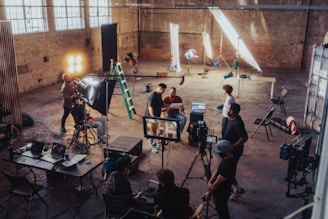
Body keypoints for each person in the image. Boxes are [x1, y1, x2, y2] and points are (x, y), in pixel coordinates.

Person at [202, 140, 236, 219]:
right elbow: (217, 170)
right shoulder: (227, 158)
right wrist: (210, 181)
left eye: (220, 151)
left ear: (227, 151)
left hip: (222, 192)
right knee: (219, 207)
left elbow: (218, 181)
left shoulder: (228, 165)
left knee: (223, 211)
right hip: (219, 190)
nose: (219, 153)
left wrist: (209, 193)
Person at [223, 103, 248, 199]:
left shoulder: (238, 123)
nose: (226, 110)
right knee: (227, 170)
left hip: (234, 152)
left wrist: (233, 147)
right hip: (227, 150)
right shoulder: (231, 119)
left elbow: (244, 138)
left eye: (228, 109)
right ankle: (231, 188)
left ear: (232, 111)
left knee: (229, 171)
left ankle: (238, 190)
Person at [144, 83, 167, 153]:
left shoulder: (159, 94)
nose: (163, 92)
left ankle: (153, 142)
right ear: (160, 89)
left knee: (154, 131)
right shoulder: (152, 97)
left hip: (156, 116)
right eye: (163, 90)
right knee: (151, 132)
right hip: (150, 117)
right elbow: (150, 107)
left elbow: (161, 103)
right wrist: (153, 117)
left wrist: (169, 105)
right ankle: (151, 147)